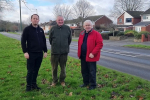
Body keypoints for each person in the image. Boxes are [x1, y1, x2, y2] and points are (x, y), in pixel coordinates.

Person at [21, 14, 47, 91]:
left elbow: (44, 41)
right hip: (31, 53)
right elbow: (23, 41)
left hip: (39, 54)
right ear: (31, 19)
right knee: (30, 70)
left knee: (36, 70)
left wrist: (45, 51)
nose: (35, 20)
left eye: (37, 18)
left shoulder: (41, 30)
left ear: (38, 20)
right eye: (34, 18)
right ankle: (28, 86)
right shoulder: (27, 29)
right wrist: (25, 52)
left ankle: (33, 84)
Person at [78, 20, 103, 90]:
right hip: (83, 55)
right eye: (86, 25)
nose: (87, 26)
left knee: (92, 71)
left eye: (89, 25)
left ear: (92, 26)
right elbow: (80, 44)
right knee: (84, 70)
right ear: (84, 26)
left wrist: (93, 53)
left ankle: (93, 85)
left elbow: (99, 44)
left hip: (91, 56)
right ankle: (85, 83)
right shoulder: (82, 33)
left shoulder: (96, 34)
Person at [49, 15, 72, 87]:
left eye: (61, 20)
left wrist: (64, 46)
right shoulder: (53, 29)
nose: (60, 21)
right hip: (54, 52)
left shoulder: (67, 28)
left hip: (64, 52)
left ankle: (62, 80)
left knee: (63, 67)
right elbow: (50, 40)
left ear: (63, 20)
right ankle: (54, 81)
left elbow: (69, 40)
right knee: (54, 67)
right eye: (59, 20)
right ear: (56, 21)